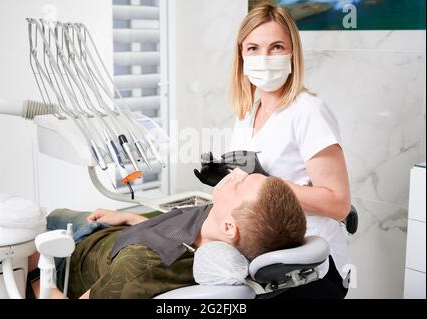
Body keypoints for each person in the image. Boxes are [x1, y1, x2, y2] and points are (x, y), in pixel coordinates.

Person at [195, 2, 351, 298]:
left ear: (293, 52)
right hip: (263, 253)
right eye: (253, 48)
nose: (264, 58)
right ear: (241, 56)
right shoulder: (247, 112)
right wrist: (228, 178)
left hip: (309, 263)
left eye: (276, 47)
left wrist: (267, 183)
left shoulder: (308, 112)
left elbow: (338, 203)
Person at [29, 168, 306, 299]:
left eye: (241, 183)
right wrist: (131, 219)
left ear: (230, 228)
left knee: (22, 225)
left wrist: (36, 275)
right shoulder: (217, 224)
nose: (235, 173)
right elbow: (173, 236)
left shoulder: (141, 268)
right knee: (41, 213)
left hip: (71, 254)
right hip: (113, 232)